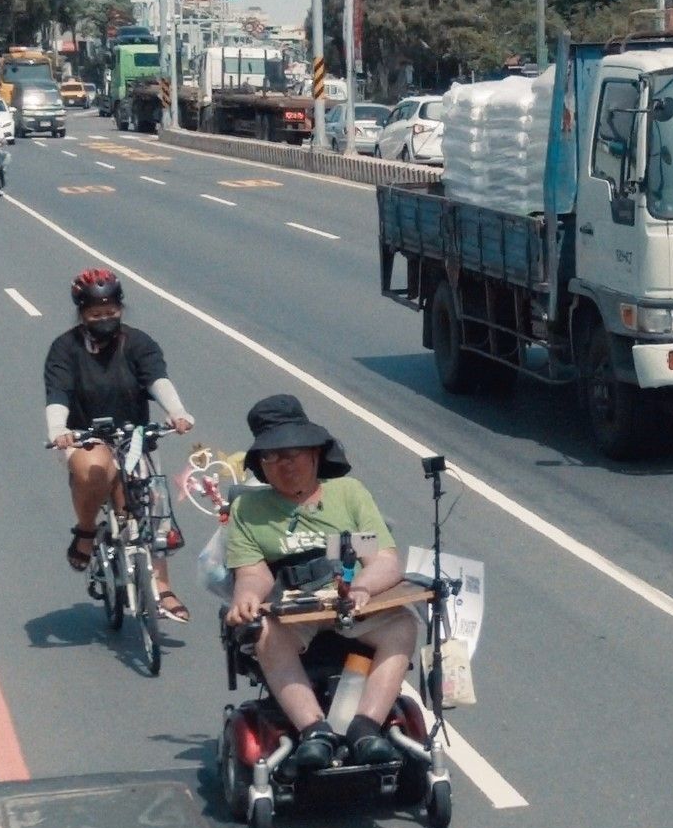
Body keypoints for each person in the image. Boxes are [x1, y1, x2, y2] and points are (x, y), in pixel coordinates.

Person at [223, 395, 416, 770]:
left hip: (349, 604)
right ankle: (315, 730)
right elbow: (254, 572)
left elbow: (382, 560)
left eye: (291, 453)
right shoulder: (249, 510)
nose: (284, 465)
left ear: (314, 453)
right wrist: (245, 598)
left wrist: (361, 587)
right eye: (272, 457)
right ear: (261, 465)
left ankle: (366, 726)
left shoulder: (349, 495)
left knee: (404, 623)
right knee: (264, 634)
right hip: (294, 613)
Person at [45, 268, 194, 623]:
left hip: (134, 436)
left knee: (154, 503)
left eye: (111, 313)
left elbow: (157, 379)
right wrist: (58, 430)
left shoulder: (139, 343)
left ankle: (163, 585)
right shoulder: (64, 349)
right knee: (93, 469)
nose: (104, 320)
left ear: (121, 309)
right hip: (87, 437)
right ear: (82, 314)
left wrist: (177, 411)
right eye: (96, 315)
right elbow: (58, 394)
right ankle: (85, 531)